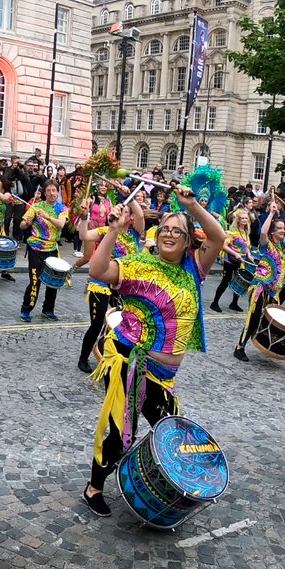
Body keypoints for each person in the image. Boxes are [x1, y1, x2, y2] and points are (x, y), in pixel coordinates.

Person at [82, 185, 226, 516]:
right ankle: (93, 487)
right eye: (164, 229)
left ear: (189, 240)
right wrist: (113, 231)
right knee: (123, 432)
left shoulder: (195, 269)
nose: (170, 234)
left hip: (165, 374)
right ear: (156, 234)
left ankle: (154, 484)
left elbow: (217, 238)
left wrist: (191, 206)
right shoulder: (138, 266)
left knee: (168, 429)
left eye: (178, 231)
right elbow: (97, 270)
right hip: (131, 363)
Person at [233, 202, 285, 363]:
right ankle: (239, 347)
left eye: (283, 228)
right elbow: (263, 231)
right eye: (279, 228)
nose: (283, 230)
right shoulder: (266, 246)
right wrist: (272, 214)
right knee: (255, 316)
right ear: (273, 232)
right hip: (259, 287)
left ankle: (265, 345)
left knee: (270, 319)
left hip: (273, 291)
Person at [76, 195, 142, 372]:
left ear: (131, 217)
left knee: (119, 324)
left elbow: (141, 216)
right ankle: (83, 358)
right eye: (120, 211)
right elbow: (83, 234)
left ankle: (111, 355)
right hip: (101, 283)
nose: (122, 214)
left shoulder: (134, 234)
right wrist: (84, 217)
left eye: (126, 212)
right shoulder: (106, 231)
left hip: (123, 287)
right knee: (97, 323)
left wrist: (131, 196)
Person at [19, 180, 68, 322]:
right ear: (44, 192)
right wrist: (26, 223)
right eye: (49, 191)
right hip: (36, 248)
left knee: (53, 281)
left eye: (54, 190)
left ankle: (48, 310)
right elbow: (22, 225)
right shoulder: (35, 207)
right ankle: (26, 309)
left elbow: (61, 224)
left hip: (52, 249)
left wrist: (47, 216)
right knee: (35, 281)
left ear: (57, 192)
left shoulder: (62, 209)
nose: (52, 193)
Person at [210, 209, 253, 313]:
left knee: (239, 281)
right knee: (226, 280)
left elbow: (246, 245)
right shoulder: (232, 231)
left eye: (246, 218)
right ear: (238, 220)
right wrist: (235, 253)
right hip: (231, 260)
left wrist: (249, 254)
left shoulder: (246, 231)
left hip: (241, 260)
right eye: (242, 218)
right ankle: (214, 302)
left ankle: (234, 303)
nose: (244, 220)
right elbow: (223, 246)